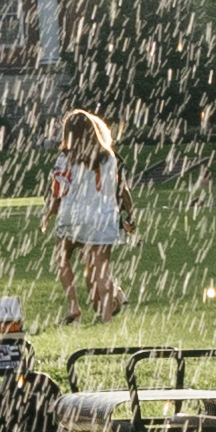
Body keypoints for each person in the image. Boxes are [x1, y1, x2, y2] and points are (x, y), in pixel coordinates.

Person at [51, 111, 127, 321]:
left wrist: (51, 208)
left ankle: (73, 306)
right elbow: (114, 187)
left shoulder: (67, 157)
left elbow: (59, 188)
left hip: (73, 215)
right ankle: (105, 315)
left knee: (62, 256)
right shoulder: (109, 156)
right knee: (101, 266)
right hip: (103, 216)